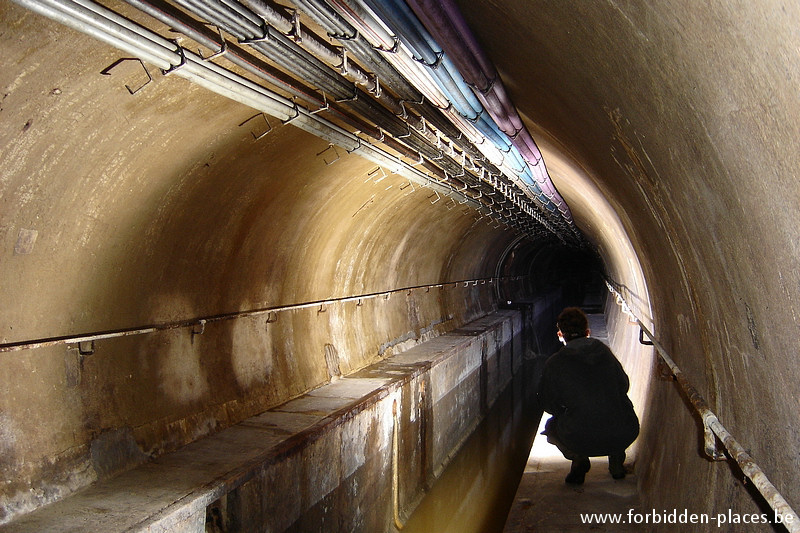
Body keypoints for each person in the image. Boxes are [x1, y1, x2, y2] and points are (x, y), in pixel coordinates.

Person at [537, 307, 639, 484]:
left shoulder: (555, 363)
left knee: (551, 427)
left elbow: (548, 404)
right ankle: (616, 465)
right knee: (615, 413)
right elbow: (623, 385)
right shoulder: (604, 352)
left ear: (560, 334)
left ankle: (579, 459)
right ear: (588, 332)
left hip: (579, 437)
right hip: (623, 431)